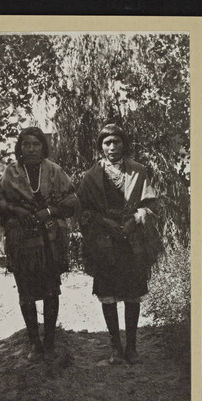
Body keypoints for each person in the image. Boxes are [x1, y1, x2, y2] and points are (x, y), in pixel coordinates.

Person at [77, 124, 162, 365]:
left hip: (131, 241)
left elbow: (151, 205)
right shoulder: (91, 176)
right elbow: (82, 211)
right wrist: (104, 222)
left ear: (124, 144)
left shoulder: (138, 171)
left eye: (116, 142)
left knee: (132, 293)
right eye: (107, 143)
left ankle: (132, 348)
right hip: (104, 242)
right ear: (100, 147)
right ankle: (116, 348)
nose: (112, 147)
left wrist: (134, 220)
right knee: (109, 293)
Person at [0, 127, 77, 360]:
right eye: (26, 144)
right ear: (20, 147)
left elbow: (72, 200)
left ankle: (49, 341)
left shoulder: (54, 171)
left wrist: (49, 211)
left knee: (51, 291)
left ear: (43, 146)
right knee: (26, 292)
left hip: (50, 241)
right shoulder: (10, 173)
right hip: (22, 242)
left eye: (35, 144)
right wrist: (15, 209)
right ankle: (34, 343)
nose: (31, 149)